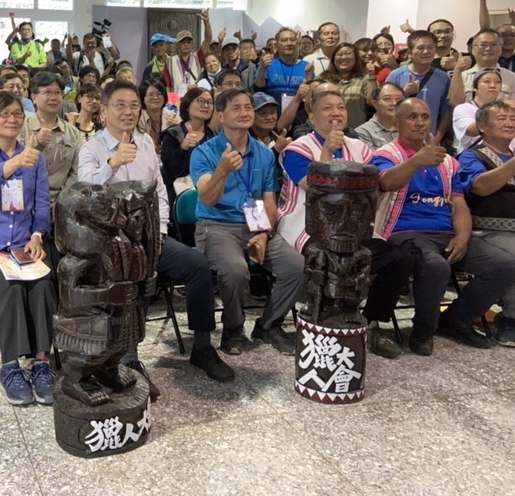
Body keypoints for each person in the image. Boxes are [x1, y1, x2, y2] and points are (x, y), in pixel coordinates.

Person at [79, 79, 233, 388]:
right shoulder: (92, 149)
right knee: (136, 274)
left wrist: (159, 232)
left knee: (196, 265)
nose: (128, 111)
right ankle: (127, 357)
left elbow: (160, 194)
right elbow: (86, 196)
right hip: (111, 243)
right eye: (120, 105)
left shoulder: (146, 145)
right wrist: (113, 163)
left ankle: (202, 345)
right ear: (104, 110)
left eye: (133, 105)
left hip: (149, 237)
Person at [371, 98, 515, 355]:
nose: (419, 122)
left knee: (503, 265)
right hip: (404, 232)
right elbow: (386, 183)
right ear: (397, 123)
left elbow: (459, 204)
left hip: (446, 232)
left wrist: (462, 235)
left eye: (425, 117)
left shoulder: (447, 161)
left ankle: (454, 319)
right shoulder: (385, 154)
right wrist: (416, 161)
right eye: (412, 117)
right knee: (436, 266)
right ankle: (423, 331)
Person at [278, 90, 414, 358]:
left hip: (354, 227)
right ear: (312, 115)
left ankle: (372, 322)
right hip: (309, 225)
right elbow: (314, 188)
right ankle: (327, 324)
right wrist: (327, 150)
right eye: (327, 108)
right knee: (335, 261)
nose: (336, 113)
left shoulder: (360, 147)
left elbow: (380, 181)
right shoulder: (297, 148)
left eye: (340, 107)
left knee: (399, 259)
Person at [190, 88, 305, 355]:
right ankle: (233, 326)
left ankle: (268, 325)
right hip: (216, 226)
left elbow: (269, 202)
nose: (245, 113)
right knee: (234, 269)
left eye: (248, 108)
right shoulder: (203, 153)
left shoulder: (264, 154)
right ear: (220, 116)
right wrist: (223, 169)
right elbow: (206, 198)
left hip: (255, 226)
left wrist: (264, 233)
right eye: (236, 108)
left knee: (296, 266)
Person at [0, 90, 57, 405]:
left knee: (42, 284)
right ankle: (11, 365)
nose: (12, 119)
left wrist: (37, 236)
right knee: (8, 288)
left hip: (22, 244)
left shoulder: (36, 159)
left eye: (17, 113)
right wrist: (18, 160)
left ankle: (42, 362)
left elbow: (41, 204)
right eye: (3, 113)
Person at [457, 100, 515, 346]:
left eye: (512, 118)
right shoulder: (472, 155)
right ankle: (510, 319)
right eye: (502, 118)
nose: (510, 122)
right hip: (485, 232)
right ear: (481, 126)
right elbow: (479, 187)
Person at [17, 72, 82, 203]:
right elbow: (14, 164)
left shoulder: (73, 132)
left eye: (57, 93)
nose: (54, 97)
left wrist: (62, 201)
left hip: (62, 200)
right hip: (26, 198)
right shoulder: (20, 127)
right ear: (34, 97)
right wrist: (37, 142)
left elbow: (76, 172)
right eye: (47, 92)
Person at [386, 30, 452, 140]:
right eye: (421, 48)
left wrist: (436, 140)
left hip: (430, 140)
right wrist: (405, 93)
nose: (426, 52)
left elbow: (446, 113)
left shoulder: (443, 78)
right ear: (410, 52)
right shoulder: (395, 76)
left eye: (430, 48)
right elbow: (385, 108)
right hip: (398, 140)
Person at [160, 86, 216, 208]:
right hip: (179, 195)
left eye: (209, 102)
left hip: (210, 193)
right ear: (187, 105)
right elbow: (171, 172)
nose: (205, 105)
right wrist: (183, 148)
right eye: (200, 101)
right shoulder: (172, 135)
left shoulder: (215, 136)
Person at [451, 29, 515, 106]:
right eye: (483, 45)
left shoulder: (512, 77)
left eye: (494, 44)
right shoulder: (462, 76)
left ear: (500, 48)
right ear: (473, 49)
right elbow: (455, 104)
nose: (488, 49)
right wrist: (457, 71)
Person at [320, 42, 377, 129]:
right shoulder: (323, 78)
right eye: (339, 54)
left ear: (355, 58)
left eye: (348, 54)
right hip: (327, 130)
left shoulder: (363, 79)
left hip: (356, 131)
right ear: (333, 59)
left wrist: (372, 76)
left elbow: (372, 101)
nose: (343, 57)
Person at [254, 28, 311, 110]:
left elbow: (310, 94)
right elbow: (258, 88)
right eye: (284, 40)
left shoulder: (306, 66)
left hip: (299, 113)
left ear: (297, 43)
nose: (289, 43)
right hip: (271, 112)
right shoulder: (268, 64)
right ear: (276, 46)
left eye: (292, 40)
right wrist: (263, 69)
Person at [163, 10, 213, 96]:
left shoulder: (198, 56)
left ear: (191, 44)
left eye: (188, 42)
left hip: (197, 97)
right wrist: (171, 103)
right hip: (178, 101)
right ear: (177, 45)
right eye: (183, 42)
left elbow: (208, 39)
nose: (186, 44)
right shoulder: (170, 62)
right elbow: (167, 85)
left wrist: (206, 22)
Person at [453, 70, 502, 152]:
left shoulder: (506, 110)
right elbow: (470, 131)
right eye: (487, 81)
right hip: (474, 158)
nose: (493, 85)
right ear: (474, 87)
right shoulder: (463, 108)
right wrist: (497, 112)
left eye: (497, 82)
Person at [137, 78, 180, 154]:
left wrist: (174, 131)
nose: (155, 97)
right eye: (151, 94)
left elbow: (181, 141)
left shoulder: (172, 115)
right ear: (142, 98)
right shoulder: (138, 118)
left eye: (159, 94)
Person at [356, 82, 404, 149]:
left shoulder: (409, 127)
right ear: (375, 103)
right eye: (387, 99)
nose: (394, 103)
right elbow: (371, 159)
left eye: (398, 99)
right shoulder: (363, 132)